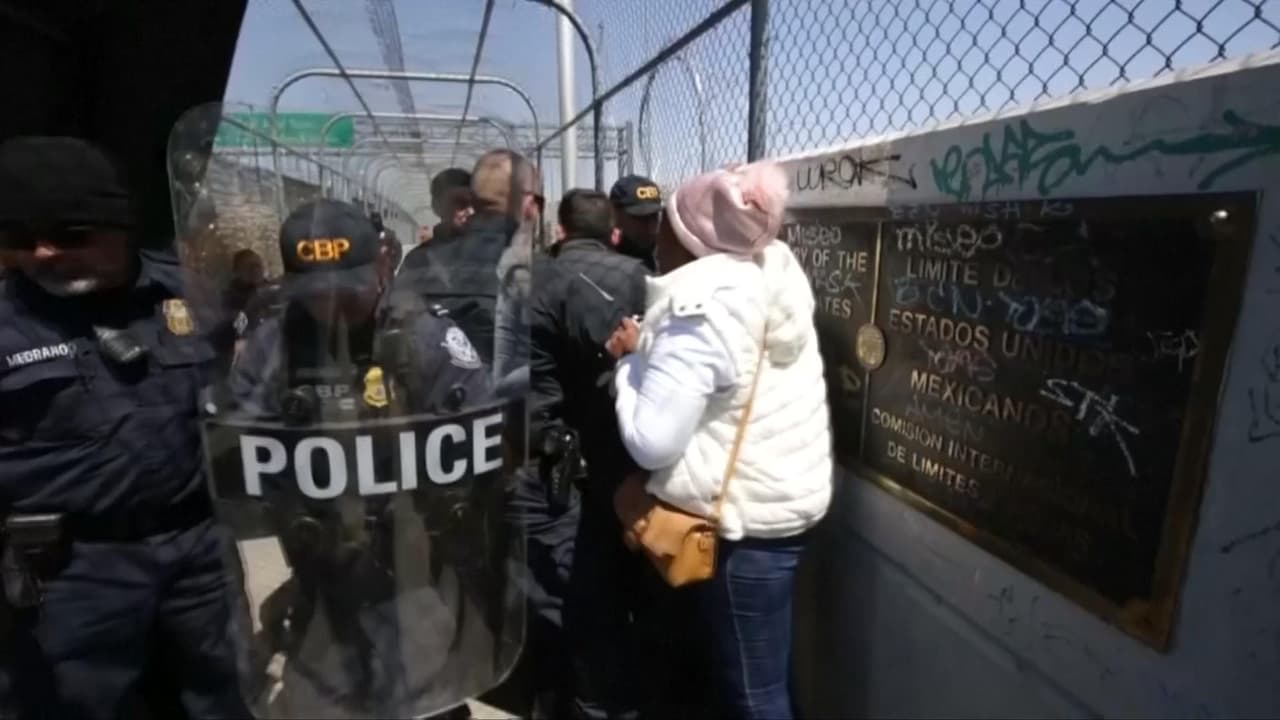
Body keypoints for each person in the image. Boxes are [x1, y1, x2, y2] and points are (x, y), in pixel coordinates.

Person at [0, 135, 250, 719]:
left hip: (199, 554)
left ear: (122, 228)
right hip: (71, 571)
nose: (43, 253)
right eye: (18, 239)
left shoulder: (192, 295)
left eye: (71, 235)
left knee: (226, 695)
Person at [223, 198, 498, 720]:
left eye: (347, 290)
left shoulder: (426, 336)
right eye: (315, 293)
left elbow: (480, 441)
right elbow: (239, 439)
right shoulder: (274, 343)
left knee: (424, 696)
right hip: (319, 564)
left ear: (380, 267)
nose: (332, 307)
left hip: (410, 567)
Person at [608, 162, 834, 720]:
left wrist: (629, 365)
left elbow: (651, 442)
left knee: (753, 698)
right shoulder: (768, 275)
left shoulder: (702, 308)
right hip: (779, 505)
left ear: (690, 237)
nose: (656, 233)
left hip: (738, 529)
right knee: (761, 675)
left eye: (666, 222)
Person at [526, 189, 655, 719]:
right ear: (614, 232)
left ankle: (572, 697)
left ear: (560, 230)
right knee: (631, 587)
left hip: (552, 461)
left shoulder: (531, 278)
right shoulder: (642, 279)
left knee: (570, 593)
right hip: (630, 456)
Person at [402, 167, 474, 272]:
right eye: (461, 203)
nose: (471, 211)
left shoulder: (487, 254)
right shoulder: (418, 260)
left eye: (476, 203)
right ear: (437, 207)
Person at [609, 174, 664, 271]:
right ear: (615, 214)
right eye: (641, 218)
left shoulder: (666, 255)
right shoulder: (605, 257)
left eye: (654, 217)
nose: (651, 228)